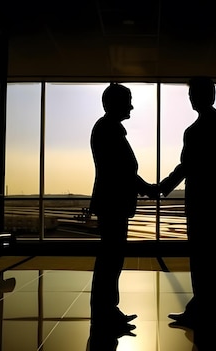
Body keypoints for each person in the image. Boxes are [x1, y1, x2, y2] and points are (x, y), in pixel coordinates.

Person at [160, 76, 216, 329]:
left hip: (202, 202)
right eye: (191, 94)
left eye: (194, 94)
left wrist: (161, 187)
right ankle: (208, 310)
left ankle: (205, 310)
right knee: (211, 260)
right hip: (212, 202)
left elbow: (187, 166)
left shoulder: (195, 131)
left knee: (204, 260)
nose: (192, 99)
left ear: (208, 96)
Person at [89, 82, 155, 328]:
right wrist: (148, 188)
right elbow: (123, 171)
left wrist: (145, 187)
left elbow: (123, 171)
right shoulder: (110, 129)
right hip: (113, 203)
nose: (132, 106)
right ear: (115, 103)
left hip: (112, 202)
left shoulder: (107, 128)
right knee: (111, 260)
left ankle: (107, 310)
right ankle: (105, 312)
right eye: (128, 101)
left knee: (111, 260)